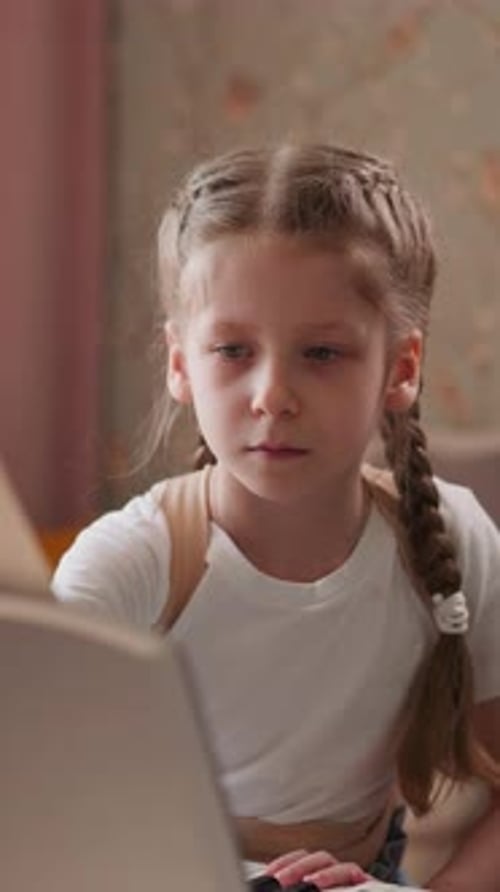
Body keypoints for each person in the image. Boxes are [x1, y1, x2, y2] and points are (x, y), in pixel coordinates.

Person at [53, 144, 500, 889]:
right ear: (180, 363)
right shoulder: (126, 567)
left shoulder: (451, 540)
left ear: (402, 368)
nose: (272, 396)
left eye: (321, 353)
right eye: (233, 349)